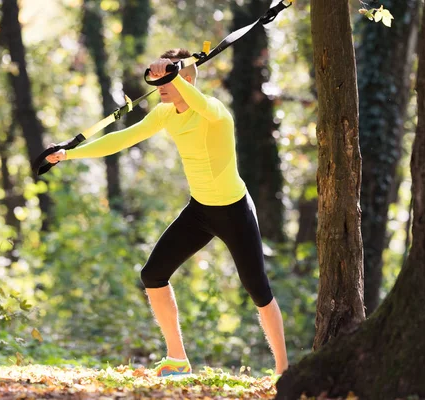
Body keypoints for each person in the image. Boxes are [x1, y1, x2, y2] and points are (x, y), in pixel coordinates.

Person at [46, 49, 288, 377]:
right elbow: (121, 139)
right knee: (153, 275)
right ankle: (177, 358)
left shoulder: (214, 111)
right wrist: (69, 154)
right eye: (157, 80)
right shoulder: (165, 113)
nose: (159, 85)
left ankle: (284, 372)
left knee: (257, 288)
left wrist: (171, 74)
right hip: (200, 210)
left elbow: (200, 102)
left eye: (167, 79)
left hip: (234, 210)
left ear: (185, 78)